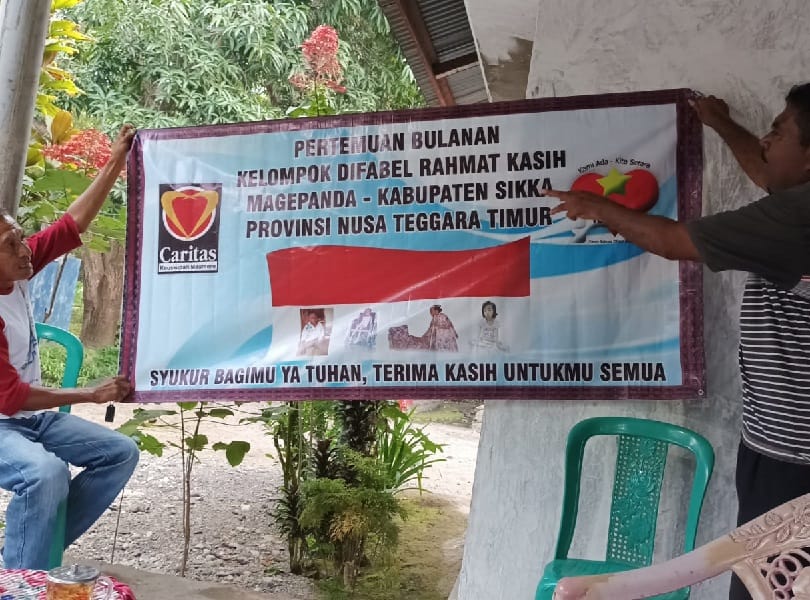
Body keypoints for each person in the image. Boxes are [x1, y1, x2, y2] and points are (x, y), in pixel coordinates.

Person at [543, 83, 810, 600]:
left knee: (767, 585)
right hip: (781, 445)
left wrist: (595, 206)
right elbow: (767, 173)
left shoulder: (798, 219)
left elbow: (670, 240)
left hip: (792, 459)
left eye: (778, 132)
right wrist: (720, 122)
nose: (765, 142)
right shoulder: (795, 203)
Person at [0, 125, 140, 570]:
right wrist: (90, 394)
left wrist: (115, 161)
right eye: (10, 245)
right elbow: (10, 397)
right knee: (46, 473)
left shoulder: (18, 271)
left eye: (21, 237)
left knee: (119, 453)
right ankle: (25, 578)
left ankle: (26, 562)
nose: (24, 249)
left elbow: (69, 226)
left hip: (31, 421)